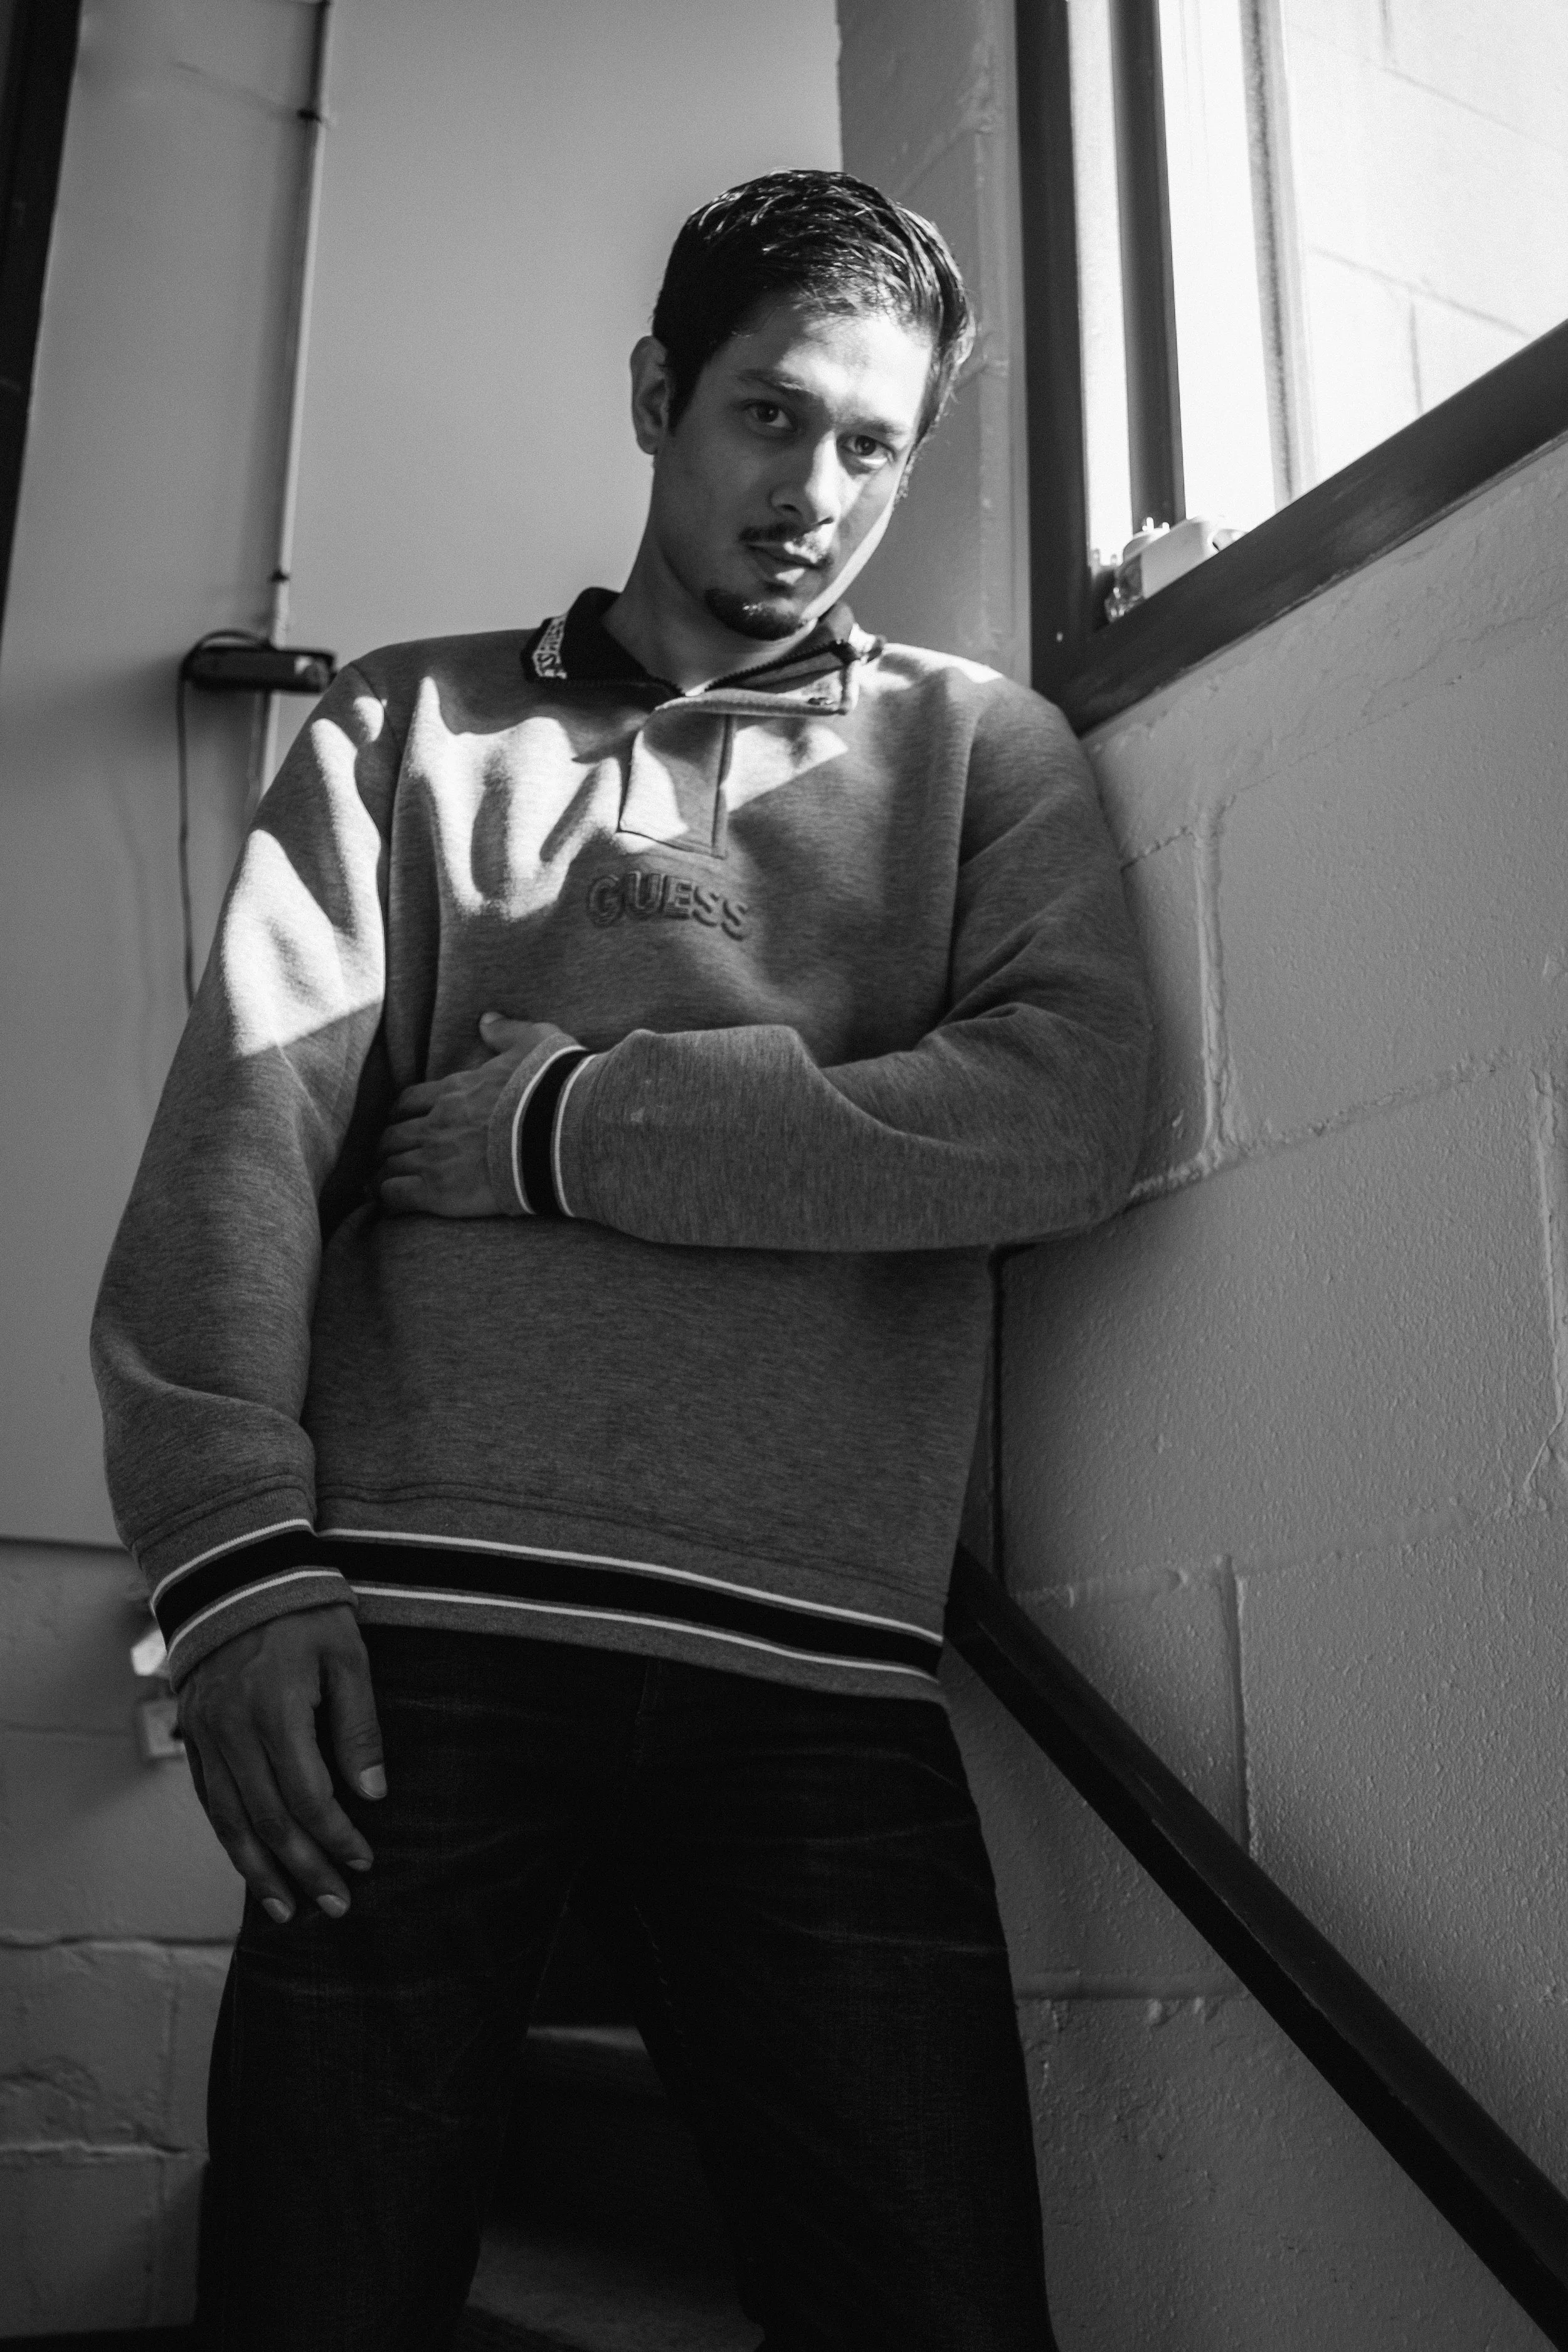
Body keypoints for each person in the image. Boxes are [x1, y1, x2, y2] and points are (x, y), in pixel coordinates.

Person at [92, 169, 1148, 2351]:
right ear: (660, 392)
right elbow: (244, 1138)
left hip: (814, 1664)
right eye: (772, 417)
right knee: (314, 2287)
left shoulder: (979, 751)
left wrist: (581, 1127)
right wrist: (236, 1562)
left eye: (874, 444)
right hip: (414, 1642)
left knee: (939, 2301)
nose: (818, 493)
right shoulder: (406, 725)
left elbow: (1066, 1111)